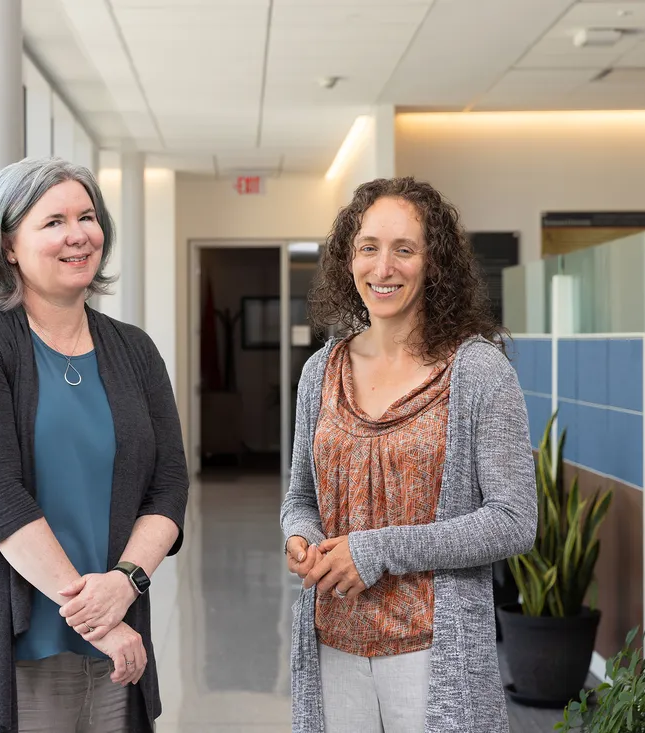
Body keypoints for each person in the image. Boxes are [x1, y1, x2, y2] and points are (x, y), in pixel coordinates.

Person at [0, 156, 189, 732]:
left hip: (110, 647)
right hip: (2, 649)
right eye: (53, 221)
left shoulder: (133, 350)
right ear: (8, 245)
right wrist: (100, 620)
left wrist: (126, 583)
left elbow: (168, 486)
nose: (77, 234)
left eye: (87, 216)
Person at [280, 177, 537, 733]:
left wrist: (377, 550)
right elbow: (300, 494)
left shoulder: (479, 372)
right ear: (348, 259)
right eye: (368, 247)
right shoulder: (319, 373)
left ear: (435, 264)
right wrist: (299, 536)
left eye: (405, 249)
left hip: (431, 647)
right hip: (333, 641)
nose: (383, 267)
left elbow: (515, 521)